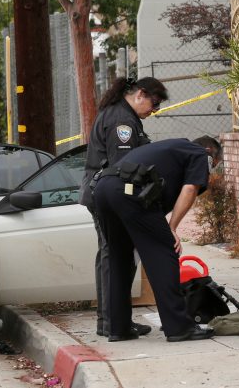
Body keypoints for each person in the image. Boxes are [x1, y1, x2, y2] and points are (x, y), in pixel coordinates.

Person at [92, 138, 216, 342]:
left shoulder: (172, 149)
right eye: (213, 164)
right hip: (129, 190)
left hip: (103, 189)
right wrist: (172, 227)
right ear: (210, 151)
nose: (209, 172)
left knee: (119, 258)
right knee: (164, 252)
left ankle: (118, 327)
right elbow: (190, 189)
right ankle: (179, 327)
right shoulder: (199, 153)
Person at [79, 76, 168, 337]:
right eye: (154, 103)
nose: (155, 110)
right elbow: (123, 168)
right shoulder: (122, 121)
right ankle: (111, 320)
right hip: (107, 197)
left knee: (118, 257)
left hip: (104, 194)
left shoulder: (124, 115)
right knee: (113, 257)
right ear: (140, 94)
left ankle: (114, 319)